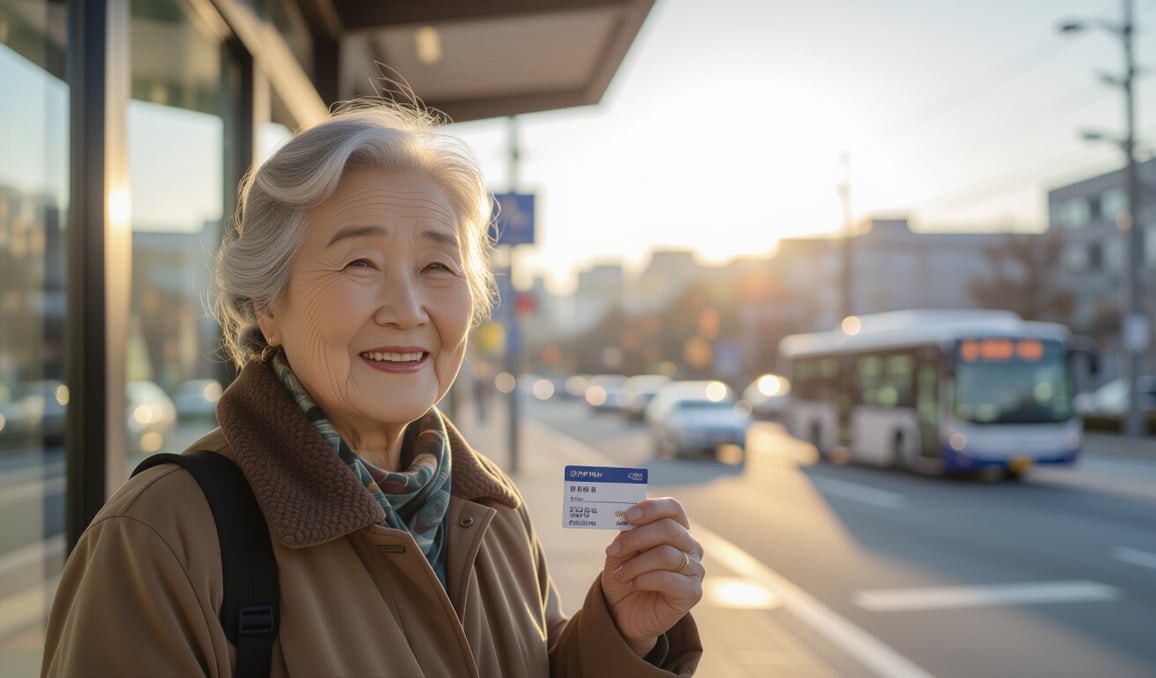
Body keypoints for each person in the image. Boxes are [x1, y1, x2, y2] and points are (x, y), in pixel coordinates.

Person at [41, 100, 704, 677]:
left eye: (438, 266)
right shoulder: (161, 537)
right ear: (270, 305)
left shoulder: (494, 514)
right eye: (361, 262)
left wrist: (620, 629)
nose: (407, 307)